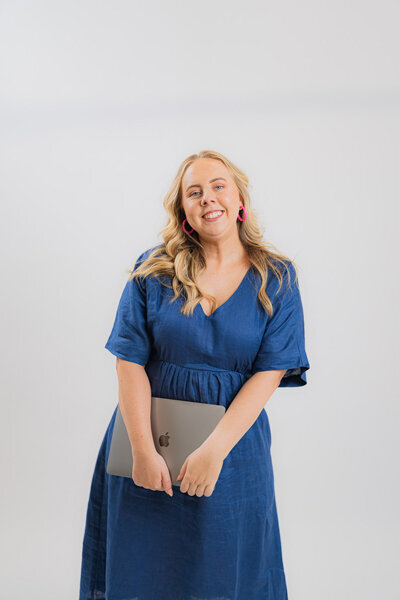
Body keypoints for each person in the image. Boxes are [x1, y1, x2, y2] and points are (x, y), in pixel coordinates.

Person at [79, 149, 310, 600]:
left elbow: (269, 374)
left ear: (239, 196)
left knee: (228, 568)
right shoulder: (153, 270)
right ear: (183, 210)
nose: (208, 198)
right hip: (148, 443)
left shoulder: (276, 278)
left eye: (218, 185)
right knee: (141, 569)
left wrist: (214, 451)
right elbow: (129, 364)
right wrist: (144, 452)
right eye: (194, 192)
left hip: (233, 451)